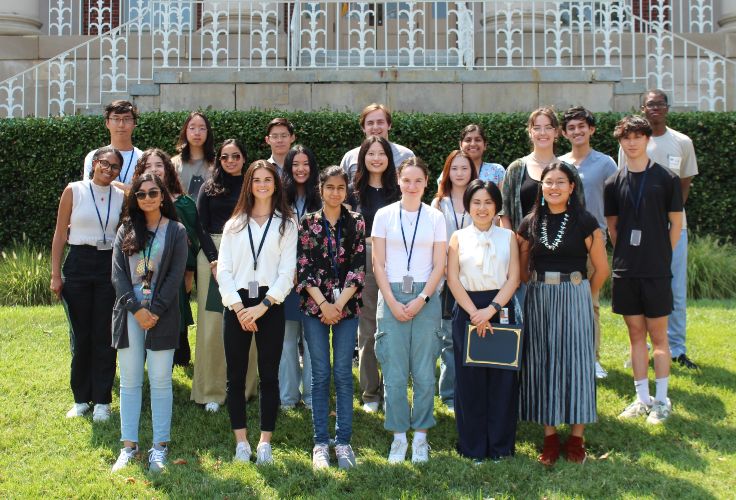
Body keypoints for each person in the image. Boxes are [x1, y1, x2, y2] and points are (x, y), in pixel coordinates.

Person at [518, 162, 609, 466]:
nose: (554, 187)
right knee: (543, 361)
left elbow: (602, 268)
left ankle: (576, 438)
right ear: (541, 188)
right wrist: (537, 288)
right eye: (548, 182)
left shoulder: (585, 221)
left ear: (572, 187)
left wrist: (585, 295)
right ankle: (550, 437)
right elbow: (521, 267)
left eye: (560, 182)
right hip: (540, 297)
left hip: (575, 295)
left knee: (577, 361)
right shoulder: (530, 222)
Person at [217, 160, 297, 465]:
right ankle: (241, 441)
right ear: (248, 184)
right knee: (235, 377)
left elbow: (287, 272)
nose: (262, 184)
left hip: (269, 305)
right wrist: (238, 307)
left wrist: (262, 307)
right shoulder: (234, 224)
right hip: (236, 304)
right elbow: (223, 269)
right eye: (256, 180)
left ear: (276, 185)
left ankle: (265, 442)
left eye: (268, 179)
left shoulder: (286, 224)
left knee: (269, 376)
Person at [607, 115, 683, 425]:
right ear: (621, 142)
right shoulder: (613, 182)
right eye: (626, 137)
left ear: (647, 139)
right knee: (635, 336)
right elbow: (613, 227)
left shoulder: (666, 179)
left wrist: (661, 255)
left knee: (659, 337)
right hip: (626, 271)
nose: (632, 142)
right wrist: (626, 252)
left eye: (638, 136)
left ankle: (662, 400)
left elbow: (675, 223)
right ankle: (641, 398)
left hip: (655, 270)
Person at [110, 173, 188, 473]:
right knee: (130, 382)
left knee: (160, 380)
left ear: (163, 195)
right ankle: (129, 446)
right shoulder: (126, 230)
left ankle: (159, 447)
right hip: (129, 314)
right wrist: (136, 309)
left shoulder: (177, 231)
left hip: (162, 315)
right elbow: (117, 275)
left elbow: (175, 276)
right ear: (134, 199)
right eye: (140, 194)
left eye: (153, 193)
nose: (147, 198)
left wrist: (153, 310)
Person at [618, 90, 699, 371]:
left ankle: (676, 349)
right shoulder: (629, 141)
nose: (655, 108)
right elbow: (623, 183)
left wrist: (667, 215)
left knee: (674, 289)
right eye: (650, 104)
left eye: (660, 103)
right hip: (636, 230)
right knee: (639, 289)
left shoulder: (682, 142)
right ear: (642, 108)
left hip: (673, 226)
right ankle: (640, 348)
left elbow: (684, 183)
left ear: (667, 108)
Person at [372, 156, 446, 464]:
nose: (412, 186)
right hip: (390, 294)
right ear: (398, 182)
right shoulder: (384, 215)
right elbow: (378, 262)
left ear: (426, 182)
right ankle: (399, 436)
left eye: (418, 180)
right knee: (395, 370)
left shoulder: (436, 217)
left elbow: (440, 264)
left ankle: (421, 436)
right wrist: (390, 300)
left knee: (425, 372)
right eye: (407, 180)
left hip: (425, 297)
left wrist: (422, 299)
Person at [297, 165, 366, 470]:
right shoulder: (308, 224)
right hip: (315, 308)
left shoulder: (357, 222)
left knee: (342, 373)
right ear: (320, 189)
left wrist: (339, 304)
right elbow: (303, 267)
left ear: (346, 190)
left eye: (341, 187)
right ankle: (321, 442)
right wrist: (324, 304)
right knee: (321, 374)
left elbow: (359, 267)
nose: (336, 193)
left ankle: (344, 441)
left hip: (346, 308)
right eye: (330, 187)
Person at [446, 180, 520, 461]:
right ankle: (473, 446)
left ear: (496, 206)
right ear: (468, 205)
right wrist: (474, 313)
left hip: (500, 309)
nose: (482, 208)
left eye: (488, 202)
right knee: (471, 382)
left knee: (502, 381)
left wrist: (490, 309)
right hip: (467, 309)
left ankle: (501, 447)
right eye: (476, 202)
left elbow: (514, 278)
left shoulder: (508, 236)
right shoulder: (458, 238)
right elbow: (452, 278)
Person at [51, 146, 125, 422]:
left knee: (104, 335)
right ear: (94, 163)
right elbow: (60, 234)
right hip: (78, 263)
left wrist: (122, 185)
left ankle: (103, 400)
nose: (108, 169)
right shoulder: (74, 190)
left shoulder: (121, 196)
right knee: (81, 336)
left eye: (115, 166)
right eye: (104, 163)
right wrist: (55, 274)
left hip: (109, 264)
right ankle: (81, 398)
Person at [191, 139, 257, 412]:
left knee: (247, 319)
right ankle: (212, 391)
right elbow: (199, 225)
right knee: (213, 324)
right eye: (225, 157)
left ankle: (245, 389)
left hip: (248, 257)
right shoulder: (209, 188)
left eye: (236, 156)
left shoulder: (253, 187)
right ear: (219, 159)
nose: (231, 161)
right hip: (214, 257)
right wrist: (213, 259)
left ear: (244, 158)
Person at [501, 107, 585, 319]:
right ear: (530, 132)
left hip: (560, 259)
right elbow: (506, 215)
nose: (543, 132)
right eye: (537, 127)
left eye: (548, 127)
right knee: (525, 319)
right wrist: (513, 255)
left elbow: (579, 213)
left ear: (557, 132)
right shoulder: (516, 168)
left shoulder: (569, 170)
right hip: (524, 257)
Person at [560, 106, 617, 379]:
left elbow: (616, 205)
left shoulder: (606, 164)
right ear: (564, 133)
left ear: (591, 129)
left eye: (582, 126)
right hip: (561, 242)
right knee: (564, 303)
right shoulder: (560, 163)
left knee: (590, 300)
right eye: (571, 128)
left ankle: (592, 357)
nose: (577, 131)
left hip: (593, 240)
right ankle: (567, 354)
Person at [132, 148, 200, 367]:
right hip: (141, 273)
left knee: (172, 311)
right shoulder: (137, 200)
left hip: (174, 274)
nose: (154, 170)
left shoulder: (184, 204)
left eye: (159, 165)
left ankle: (174, 358)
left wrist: (189, 273)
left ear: (168, 169)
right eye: (148, 166)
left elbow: (192, 242)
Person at [348, 136, 401, 413]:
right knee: (367, 328)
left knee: (393, 327)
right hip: (364, 258)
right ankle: (370, 392)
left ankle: (393, 388)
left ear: (389, 158)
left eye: (382, 153)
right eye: (371, 153)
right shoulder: (352, 192)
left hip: (395, 259)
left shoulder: (399, 191)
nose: (377, 158)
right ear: (363, 158)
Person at [431, 150, 476, 412]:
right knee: (448, 337)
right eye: (455, 168)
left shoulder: (481, 199)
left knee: (472, 334)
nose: (460, 173)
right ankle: (448, 394)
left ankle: (469, 388)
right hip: (446, 279)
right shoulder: (439, 203)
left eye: (465, 168)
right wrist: (446, 269)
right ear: (448, 172)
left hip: (473, 279)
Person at [279, 145, 321, 409]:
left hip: (316, 280)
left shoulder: (322, 196)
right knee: (285, 341)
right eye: (295, 164)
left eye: (305, 163)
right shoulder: (279, 198)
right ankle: (287, 397)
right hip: (287, 279)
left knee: (313, 340)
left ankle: (311, 397)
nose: (300, 169)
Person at [340, 103, 414, 184]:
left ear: (389, 125)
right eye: (370, 123)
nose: (375, 127)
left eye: (380, 122)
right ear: (363, 128)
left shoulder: (406, 156)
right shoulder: (350, 158)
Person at [82, 100, 142, 188]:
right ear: (107, 123)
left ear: (134, 123)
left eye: (127, 119)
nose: (121, 125)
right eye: (116, 119)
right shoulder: (94, 156)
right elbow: (89, 190)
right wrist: (128, 188)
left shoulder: (143, 158)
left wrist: (110, 184)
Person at [436, 124, 505, 188]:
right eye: (468, 140)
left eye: (478, 140)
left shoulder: (497, 170)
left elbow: (503, 200)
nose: (473, 144)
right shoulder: (451, 171)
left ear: (485, 145)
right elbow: (442, 197)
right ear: (460, 145)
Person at [171, 111, 216, 198]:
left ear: (208, 132)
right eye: (192, 128)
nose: (197, 133)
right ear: (185, 131)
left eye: (202, 128)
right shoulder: (174, 164)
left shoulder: (216, 164)